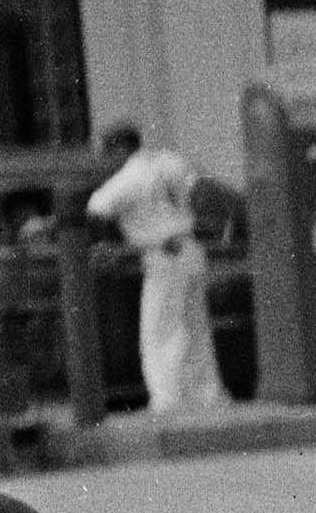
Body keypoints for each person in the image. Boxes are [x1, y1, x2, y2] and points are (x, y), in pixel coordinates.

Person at [82, 123, 216, 413]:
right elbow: (203, 191)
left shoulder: (129, 177)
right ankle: (207, 395)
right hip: (190, 247)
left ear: (121, 148)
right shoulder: (169, 161)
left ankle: (168, 400)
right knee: (195, 327)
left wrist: (113, 243)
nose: (107, 159)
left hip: (163, 253)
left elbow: (95, 210)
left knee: (159, 331)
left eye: (109, 151)